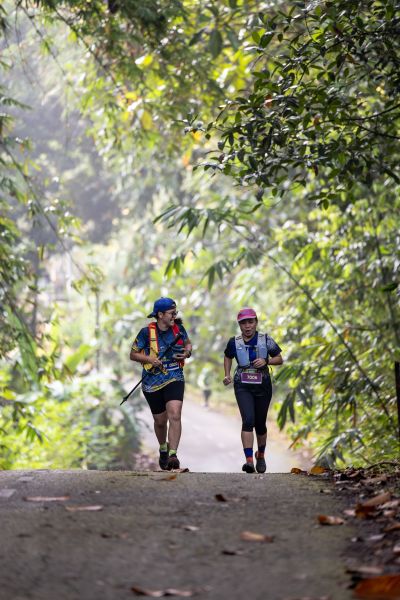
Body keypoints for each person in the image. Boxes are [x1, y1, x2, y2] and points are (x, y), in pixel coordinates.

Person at [130, 297, 192, 471]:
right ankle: (163, 448)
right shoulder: (145, 333)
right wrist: (150, 359)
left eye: (175, 313)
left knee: (175, 414)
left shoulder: (179, 329)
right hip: (152, 381)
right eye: (172, 313)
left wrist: (187, 353)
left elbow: (188, 344)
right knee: (160, 421)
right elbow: (133, 354)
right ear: (160, 315)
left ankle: (173, 455)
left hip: (174, 376)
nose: (174, 316)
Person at [223, 308, 283, 474]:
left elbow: (279, 359)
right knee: (248, 420)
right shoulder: (234, 342)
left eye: (250, 322)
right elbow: (227, 356)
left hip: (263, 385)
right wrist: (227, 374)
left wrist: (266, 361)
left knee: (260, 423)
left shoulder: (266, 340)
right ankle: (249, 460)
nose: (247, 326)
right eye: (244, 323)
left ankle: (260, 455)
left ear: (256, 323)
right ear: (239, 325)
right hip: (242, 385)